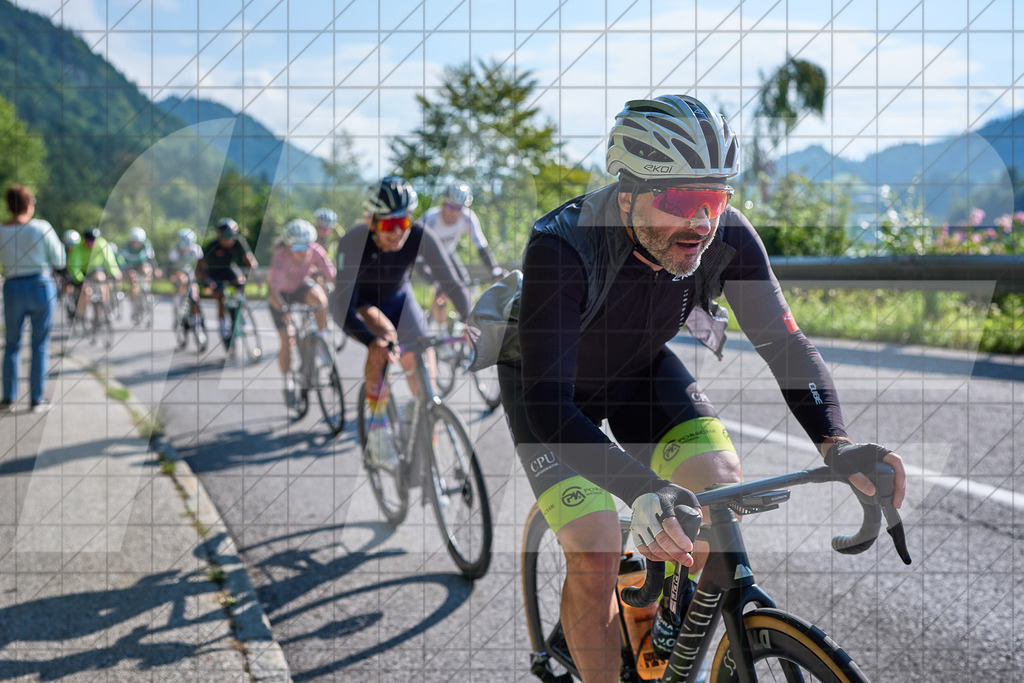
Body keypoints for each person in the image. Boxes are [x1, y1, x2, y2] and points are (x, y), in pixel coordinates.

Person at [496, 94, 908, 682]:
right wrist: (642, 489)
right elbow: (546, 405)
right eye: (681, 201)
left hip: (639, 372)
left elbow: (785, 345)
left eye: (714, 200)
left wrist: (835, 443)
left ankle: (667, 622)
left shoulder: (727, 237)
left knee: (719, 492)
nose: (701, 223)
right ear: (627, 195)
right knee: (595, 549)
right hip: (550, 396)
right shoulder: (563, 243)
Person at [331, 176, 472, 467]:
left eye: (403, 222)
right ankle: (378, 429)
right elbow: (344, 307)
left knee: (424, 369)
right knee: (383, 338)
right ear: (370, 222)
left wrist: (471, 321)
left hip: (398, 296)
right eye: (388, 225)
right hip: (362, 302)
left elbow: (452, 282)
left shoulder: (419, 234)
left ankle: (429, 457)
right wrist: (372, 341)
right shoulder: (353, 242)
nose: (398, 232)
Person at [0, 185, 64, 413]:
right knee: (39, 344)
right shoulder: (41, 227)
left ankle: (8, 398)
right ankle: (36, 399)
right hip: (40, 286)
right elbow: (59, 259)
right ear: (28, 204)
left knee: (11, 344)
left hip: (12, 286)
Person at [267, 219, 336, 405]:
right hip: (280, 295)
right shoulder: (281, 256)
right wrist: (283, 309)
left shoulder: (315, 249)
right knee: (287, 338)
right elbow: (273, 292)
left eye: (306, 246)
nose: (303, 251)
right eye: (297, 247)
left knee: (320, 299)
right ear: (288, 246)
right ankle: (288, 380)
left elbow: (331, 275)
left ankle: (320, 339)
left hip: (299, 288)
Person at [421, 180, 501, 326]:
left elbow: (481, 247)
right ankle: (438, 328)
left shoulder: (468, 217)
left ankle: (465, 322)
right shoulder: (430, 219)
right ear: (443, 204)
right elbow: (418, 255)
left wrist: (494, 269)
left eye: (459, 208)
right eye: (451, 206)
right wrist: (434, 280)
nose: (454, 212)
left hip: (449, 253)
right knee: (441, 289)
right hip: (427, 258)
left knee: (464, 285)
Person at [198, 218, 258, 340]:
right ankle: (223, 325)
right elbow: (200, 266)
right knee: (220, 298)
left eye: (229, 236)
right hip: (213, 272)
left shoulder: (238, 242)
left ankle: (240, 309)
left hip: (229, 269)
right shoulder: (212, 246)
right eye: (223, 236)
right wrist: (206, 281)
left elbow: (249, 259)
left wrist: (255, 274)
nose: (227, 240)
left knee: (240, 282)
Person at [67, 226, 122, 321]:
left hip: (95, 270)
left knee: (102, 281)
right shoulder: (78, 248)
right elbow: (74, 266)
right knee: (85, 292)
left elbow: (109, 260)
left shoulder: (101, 243)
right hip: (82, 272)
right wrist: (80, 281)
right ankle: (82, 315)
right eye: (89, 241)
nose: (91, 244)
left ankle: (105, 308)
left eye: (94, 241)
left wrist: (115, 273)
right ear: (84, 240)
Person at [168, 228, 206, 342]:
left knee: (195, 297)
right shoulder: (174, 252)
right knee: (182, 280)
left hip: (191, 275)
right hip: (179, 276)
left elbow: (202, 267)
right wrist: (173, 277)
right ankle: (178, 305)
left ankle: (198, 327)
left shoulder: (196, 250)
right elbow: (169, 269)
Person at [121, 226, 159, 321]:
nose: (137, 244)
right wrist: (129, 271)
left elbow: (151, 259)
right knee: (133, 285)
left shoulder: (146, 245)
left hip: (142, 265)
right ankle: (134, 308)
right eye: (135, 242)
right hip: (131, 267)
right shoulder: (126, 247)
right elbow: (123, 262)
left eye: (139, 242)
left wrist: (156, 269)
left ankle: (146, 286)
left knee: (147, 269)